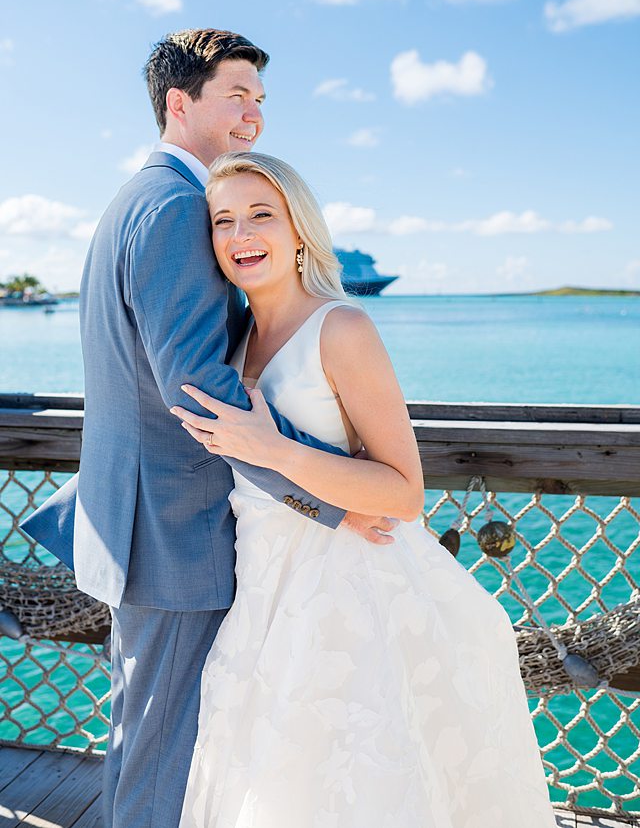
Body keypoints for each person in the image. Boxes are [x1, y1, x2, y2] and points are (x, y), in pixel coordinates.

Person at [21, 29, 393, 828]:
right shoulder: (176, 208)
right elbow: (199, 394)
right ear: (178, 103)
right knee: (165, 756)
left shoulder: (138, 195)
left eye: (260, 100)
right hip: (174, 537)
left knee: (143, 739)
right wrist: (335, 495)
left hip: (142, 526)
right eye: (237, 96)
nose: (255, 117)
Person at [172, 152, 559, 828]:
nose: (241, 235)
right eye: (223, 220)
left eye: (262, 215)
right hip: (260, 596)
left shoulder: (342, 328)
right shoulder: (231, 343)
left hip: (348, 596)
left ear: (299, 231)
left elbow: (404, 492)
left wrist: (274, 449)